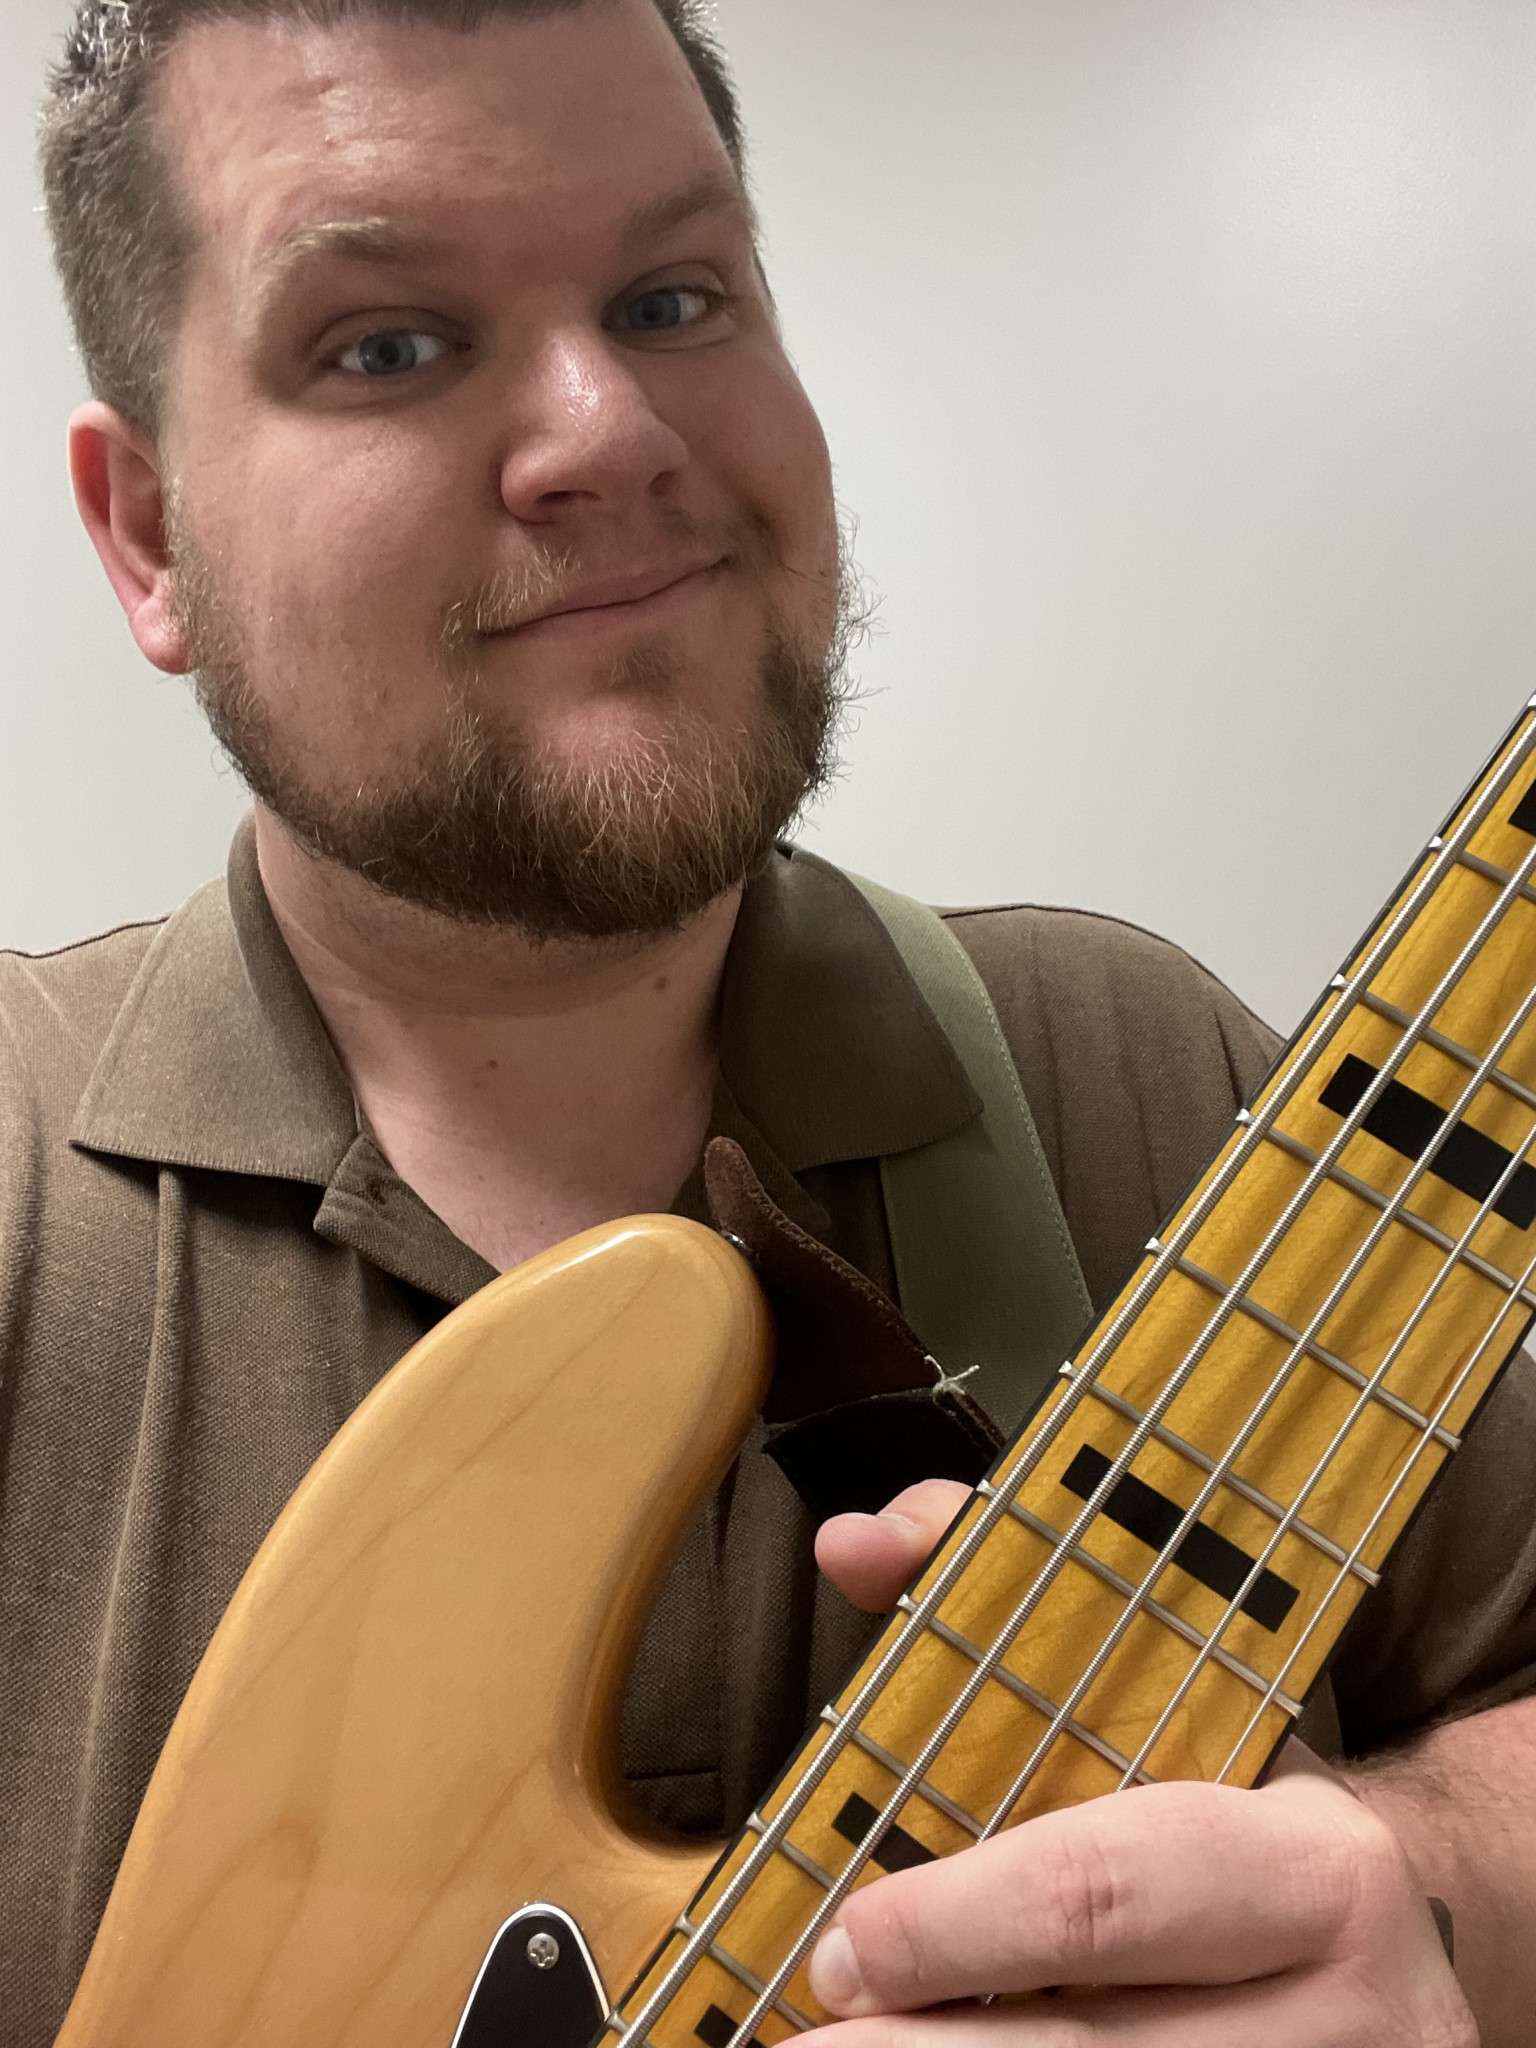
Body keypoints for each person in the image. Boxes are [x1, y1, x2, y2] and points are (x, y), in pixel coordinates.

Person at [5, 0, 1534, 2041]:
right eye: (387, 344)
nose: (608, 431)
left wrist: (1429, 1897)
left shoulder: (1160, 1071)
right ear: (148, 533)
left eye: (673, 296)